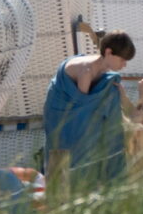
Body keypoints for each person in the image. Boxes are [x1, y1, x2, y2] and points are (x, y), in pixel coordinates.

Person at [43, 31, 137, 188]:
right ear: (108, 52)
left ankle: (103, 177)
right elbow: (81, 112)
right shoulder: (86, 71)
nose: (124, 64)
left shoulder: (106, 73)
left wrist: (120, 96)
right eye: (122, 59)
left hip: (78, 103)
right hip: (61, 107)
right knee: (71, 143)